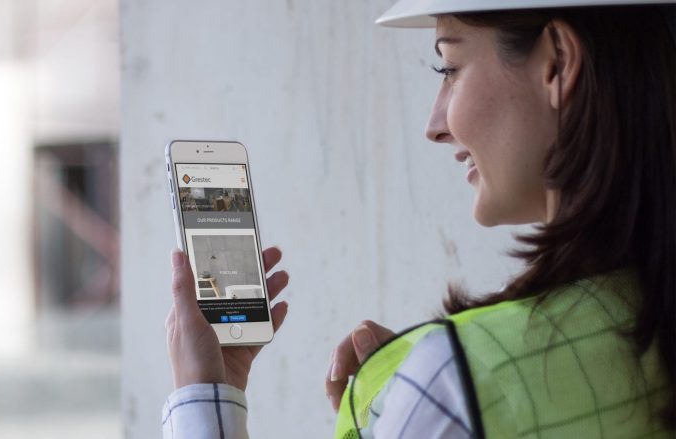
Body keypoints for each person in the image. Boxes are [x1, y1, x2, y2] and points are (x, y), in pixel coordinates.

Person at [162, 0, 676, 437]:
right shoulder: (650, 318)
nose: (434, 125)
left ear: (557, 63)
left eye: (448, 68)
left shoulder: (458, 378)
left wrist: (205, 395)